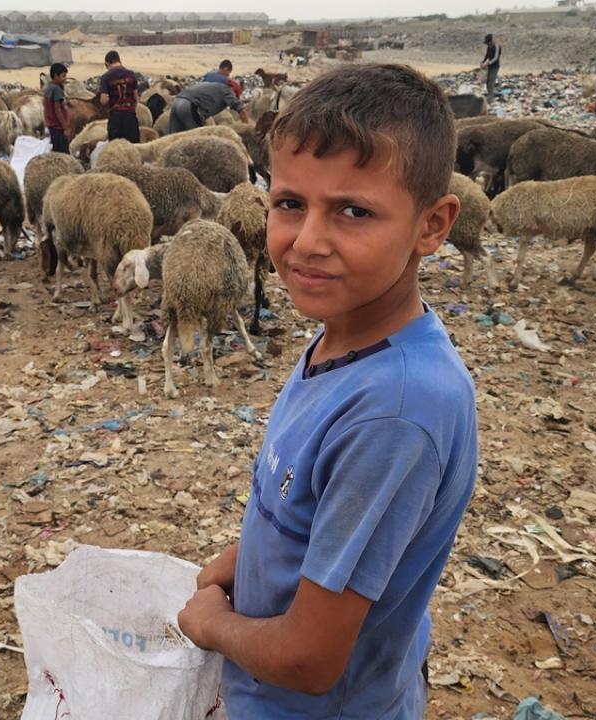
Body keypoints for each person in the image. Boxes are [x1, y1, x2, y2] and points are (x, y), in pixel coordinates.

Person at [177, 64, 477, 719]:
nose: (308, 242)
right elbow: (313, 519)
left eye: (353, 211)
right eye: (289, 203)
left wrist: (212, 624)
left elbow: (310, 661)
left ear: (432, 225)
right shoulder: (343, 338)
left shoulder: (394, 413)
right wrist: (243, 563)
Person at [167, 81, 249, 134]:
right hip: (189, 105)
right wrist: (247, 129)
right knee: (196, 139)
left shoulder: (213, 85)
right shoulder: (228, 90)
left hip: (177, 101)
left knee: (173, 139)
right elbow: (241, 110)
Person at [99, 50, 140, 144]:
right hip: (130, 117)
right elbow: (135, 97)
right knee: (132, 147)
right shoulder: (131, 74)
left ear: (107, 64)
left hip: (115, 118)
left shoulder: (106, 77)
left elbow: (103, 100)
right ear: (119, 61)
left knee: (116, 147)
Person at [44, 62, 71, 154]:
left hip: (52, 127)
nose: (65, 78)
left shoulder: (49, 88)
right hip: (58, 128)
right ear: (56, 76)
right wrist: (65, 128)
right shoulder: (57, 89)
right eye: (63, 76)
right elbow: (58, 110)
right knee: (63, 154)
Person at [480, 34, 501, 99]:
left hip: (495, 67)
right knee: (487, 82)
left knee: (491, 83)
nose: (487, 44)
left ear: (491, 41)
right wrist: (483, 62)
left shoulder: (497, 47)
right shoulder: (488, 47)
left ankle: (490, 98)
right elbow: (487, 56)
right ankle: (490, 96)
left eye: (488, 43)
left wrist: (488, 63)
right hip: (489, 67)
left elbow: (496, 58)